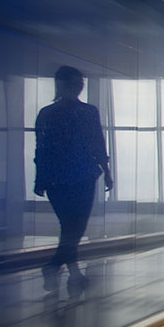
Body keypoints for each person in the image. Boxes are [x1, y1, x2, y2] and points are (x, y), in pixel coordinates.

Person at [34, 66, 113, 292]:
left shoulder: (48, 113)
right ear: (64, 85)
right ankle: (61, 269)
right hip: (76, 178)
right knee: (73, 228)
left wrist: (41, 179)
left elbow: (43, 150)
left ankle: (66, 270)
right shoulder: (86, 112)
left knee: (71, 227)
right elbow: (96, 143)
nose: (79, 87)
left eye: (80, 83)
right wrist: (106, 171)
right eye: (76, 83)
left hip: (65, 179)